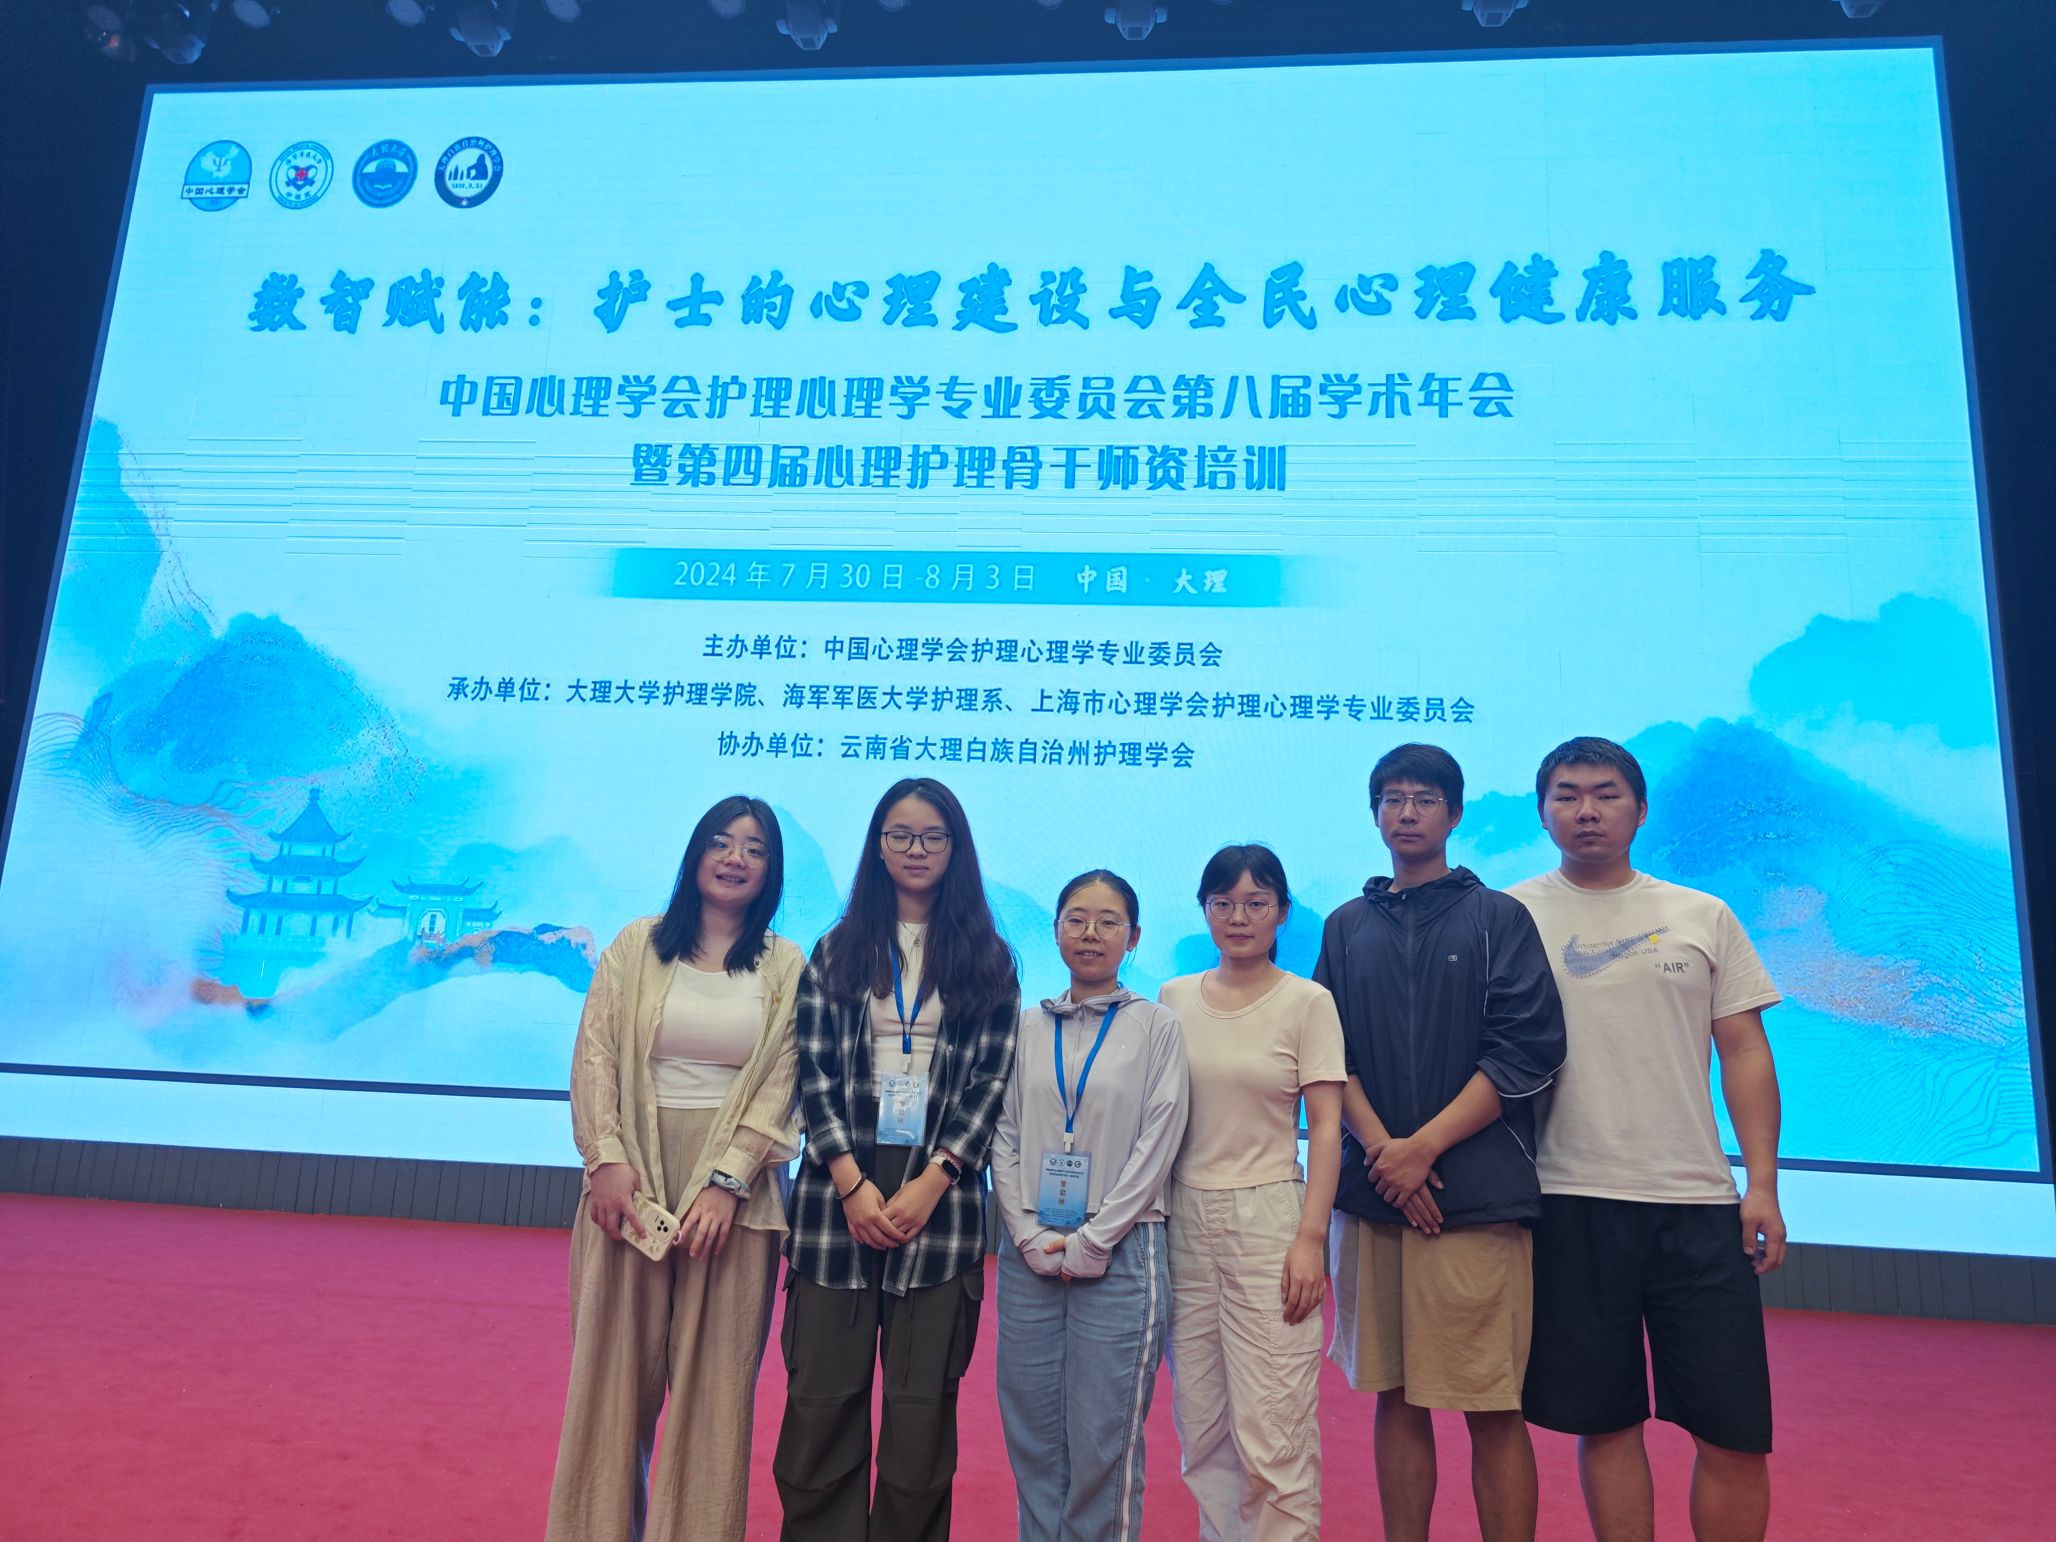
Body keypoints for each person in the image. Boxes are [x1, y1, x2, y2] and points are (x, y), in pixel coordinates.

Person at [1510, 737, 1786, 1542]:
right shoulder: (1509, 916)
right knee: (1607, 1422)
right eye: (1567, 795)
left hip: (1695, 1203)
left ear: (1640, 809)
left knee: (1734, 1431)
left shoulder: (1701, 914)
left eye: (1605, 794)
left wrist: (1762, 1184)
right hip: (1568, 1200)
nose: (1586, 811)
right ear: (1543, 813)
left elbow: (1744, 1052)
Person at [1314, 744, 1566, 1542]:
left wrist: (1422, 1149)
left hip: (1476, 1196)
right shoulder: (1346, 927)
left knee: (1492, 1403)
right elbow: (1326, 1055)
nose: (1407, 813)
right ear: (1375, 815)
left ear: (1454, 814)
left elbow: (1526, 1048)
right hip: (1376, 1196)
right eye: (1392, 799)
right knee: (1395, 1395)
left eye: (1425, 799)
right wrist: (1388, 1155)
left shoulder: (1499, 918)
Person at [546, 795, 804, 1542]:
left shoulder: (787, 964)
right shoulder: (637, 945)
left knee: (713, 1394)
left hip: (735, 1196)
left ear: (771, 870)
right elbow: (595, 1055)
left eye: (754, 849)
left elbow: (783, 1079)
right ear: (695, 854)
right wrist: (606, 1159)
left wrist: (730, 1181)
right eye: (721, 842)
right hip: (629, 1182)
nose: (735, 859)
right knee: (610, 1386)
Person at [773, 777, 1021, 1542]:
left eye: (932, 836)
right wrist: (851, 1182)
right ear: (878, 847)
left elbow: (991, 1080)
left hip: (939, 1199)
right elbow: (812, 1072)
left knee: (920, 1422)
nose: (916, 850)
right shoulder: (837, 948)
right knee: (820, 1404)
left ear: (956, 848)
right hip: (836, 1195)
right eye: (900, 835)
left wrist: (935, 1180)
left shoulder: (987, 957)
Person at [993, 869, 1190, 1542]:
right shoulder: (1026, 1026)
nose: (1090, 933)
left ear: (1133, 938)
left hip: (1124, 1250)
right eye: (1076, 918)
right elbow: (1004, 1134)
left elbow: (1159, 1141)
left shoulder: (1158, 1026)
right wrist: (1024, 1234)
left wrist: (1096, 1238)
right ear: (1055, 931)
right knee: (1033, 1435)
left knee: (1104, 1441)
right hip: (1029, 1251)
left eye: (1109, 922)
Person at [1160, 843, 1346, 1542]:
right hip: (1183, 1219)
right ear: (1205, 910)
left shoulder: (1308, 1001)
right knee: (1202, 1425)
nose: (1239, 918)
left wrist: (1311, 1237)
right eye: (1224, 903)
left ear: (1282, 912)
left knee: (1275, 1425)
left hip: (1269, 1218)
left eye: (1256, 903)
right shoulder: (1174, 998)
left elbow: (1325, 1128)